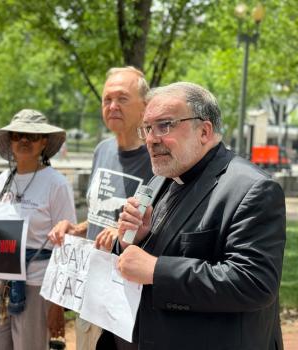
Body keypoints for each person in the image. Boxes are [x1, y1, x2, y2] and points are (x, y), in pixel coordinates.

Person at [102, 82, 285, 349]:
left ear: (204, 131)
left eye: (165, 125)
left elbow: (254, 283)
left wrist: (156, 270)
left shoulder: (252, 189)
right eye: (148, 128)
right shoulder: (160, 177)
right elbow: (144, 258)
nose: (152, 139)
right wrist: (132, 240)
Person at [47, 66, 153, 350]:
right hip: (90, 289)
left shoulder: (158, 158)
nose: (112, 106)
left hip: (131, 298)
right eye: (107, 99)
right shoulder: (102, 151)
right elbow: (98, 217)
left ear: (145, 106)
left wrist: (121, 231)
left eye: (122, 98)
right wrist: (75, 228)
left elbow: (163, 224)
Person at [0, 109, 77, 350]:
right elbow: (2, 227)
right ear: (10, 141)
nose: (23, 141)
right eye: (18, 135)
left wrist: (57, 303)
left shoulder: (57, 184)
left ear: (43, 143)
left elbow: (68, 245)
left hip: (36, 285)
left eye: (31, 136)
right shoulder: (3, 180)